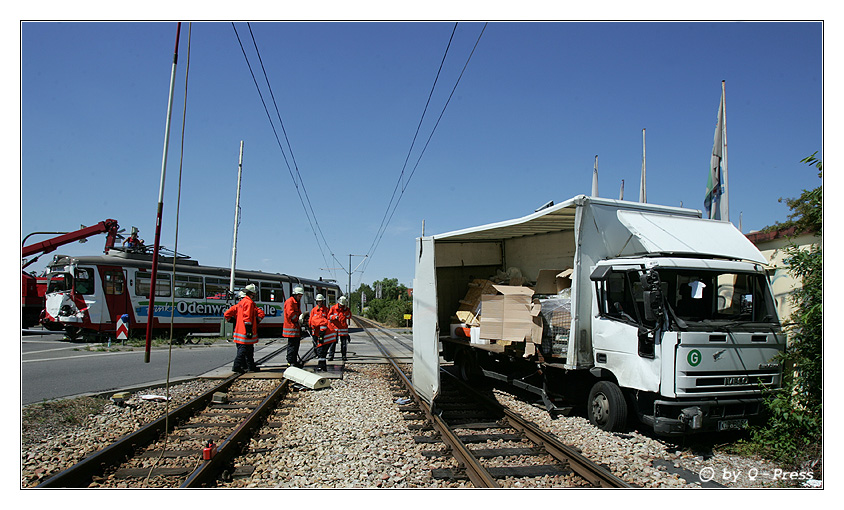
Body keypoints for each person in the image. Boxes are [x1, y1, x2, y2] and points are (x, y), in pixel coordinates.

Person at [224, 283, 264, 373]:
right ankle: (237, 366)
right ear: (252, 293)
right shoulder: (249, 303)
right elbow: (247, 317)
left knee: (249, 350)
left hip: (239, 331)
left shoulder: (241, 302)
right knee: (244, 350)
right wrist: (249, 330)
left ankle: (250, 366)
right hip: (245, 332)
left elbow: (227, 314)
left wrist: (232, 320)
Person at [308, 294, 336, 372]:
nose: (319, 303)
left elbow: (325, 323)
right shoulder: (314, 311)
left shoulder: (326, 310)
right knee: (319, 350)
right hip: (318, 333)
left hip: (324, 334)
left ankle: (321, 366)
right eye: (318, 301)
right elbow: (311, 323)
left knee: (321, 350)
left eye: (321, 301)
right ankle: (322, 365)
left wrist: (321, 336)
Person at [283, 286, 305, 368]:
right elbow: (291, 314)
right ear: (295, 295)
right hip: (291, 328)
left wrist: (302, 318)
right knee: (292, 346)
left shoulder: (296, 302)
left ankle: (294, 361)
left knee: (296, 346)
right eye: (299, 296)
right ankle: (290, 362)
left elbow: (299, 313)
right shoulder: (290, 302)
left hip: (295, 328)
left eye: (301, 296)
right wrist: (298, 320)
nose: (300, 298)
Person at [328, 295, 352, 361]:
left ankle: (344, 356)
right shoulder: (333, 308)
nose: (342, 306)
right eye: (341, 305)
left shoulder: (346, 309)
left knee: (344, 344)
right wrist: (334, 317)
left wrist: (346, 310)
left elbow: (349, 316)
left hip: (343, 329)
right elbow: (328, 316)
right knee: (333, 343)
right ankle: (331, 356)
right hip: (335, 328)